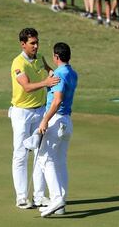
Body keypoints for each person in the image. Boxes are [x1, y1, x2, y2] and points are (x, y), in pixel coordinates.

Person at [9, 28, 60, 209]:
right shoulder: (18, 63)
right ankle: (22, 197)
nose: (36, 46)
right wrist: (46, 83)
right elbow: (27, 87)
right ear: (23, 44)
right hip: (22, 113)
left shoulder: (40, 58)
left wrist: (54, 75)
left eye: (37, 42)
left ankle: (39, 196)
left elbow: (50, 71)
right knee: (21, 154)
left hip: (39, 112)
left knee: (40, 153)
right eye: (32, 43)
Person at [37, 42, 78, 218]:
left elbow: (57, 99)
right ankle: (60, 203)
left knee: (45, 159)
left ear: (56, 57)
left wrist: (45, 120)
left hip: (56, 119)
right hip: (67, 121)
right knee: (60, 161)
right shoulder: (72, 72)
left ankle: (56, 199)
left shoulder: (60, 74)